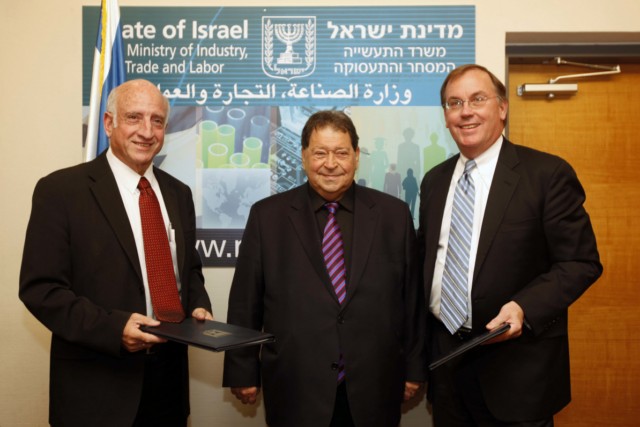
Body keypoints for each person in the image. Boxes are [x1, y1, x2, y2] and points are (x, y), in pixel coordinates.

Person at [19, 79, 213, 427]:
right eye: (134, 117)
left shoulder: (178, 193)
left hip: (168, 385)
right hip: (97, 389)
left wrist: (198, 303)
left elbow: (188, 270)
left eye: (157, 120)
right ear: (109, 123)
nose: (147, 131)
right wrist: (113, 329)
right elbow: (41, 290)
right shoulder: (61, 191)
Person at [418, 64, 602, 426]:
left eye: (477, 99)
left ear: (502, 108)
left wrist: (524, 307)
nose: (465, 111)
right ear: (446, 116)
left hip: (518, 373)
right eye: (454, 103)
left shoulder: (546, 175)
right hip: (447, 367)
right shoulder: (434, 181)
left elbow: (581, 262)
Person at [223, 110, 426, 427]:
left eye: (341, 153)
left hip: (375, 384)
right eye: (320, 153)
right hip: (295, 386)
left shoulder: (394, 215)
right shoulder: (267, 216)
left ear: (356, 156)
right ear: (304, 156)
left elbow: (411, 301)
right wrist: (242, 369)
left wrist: (414, 370)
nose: (331, 164)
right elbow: (245, 303)